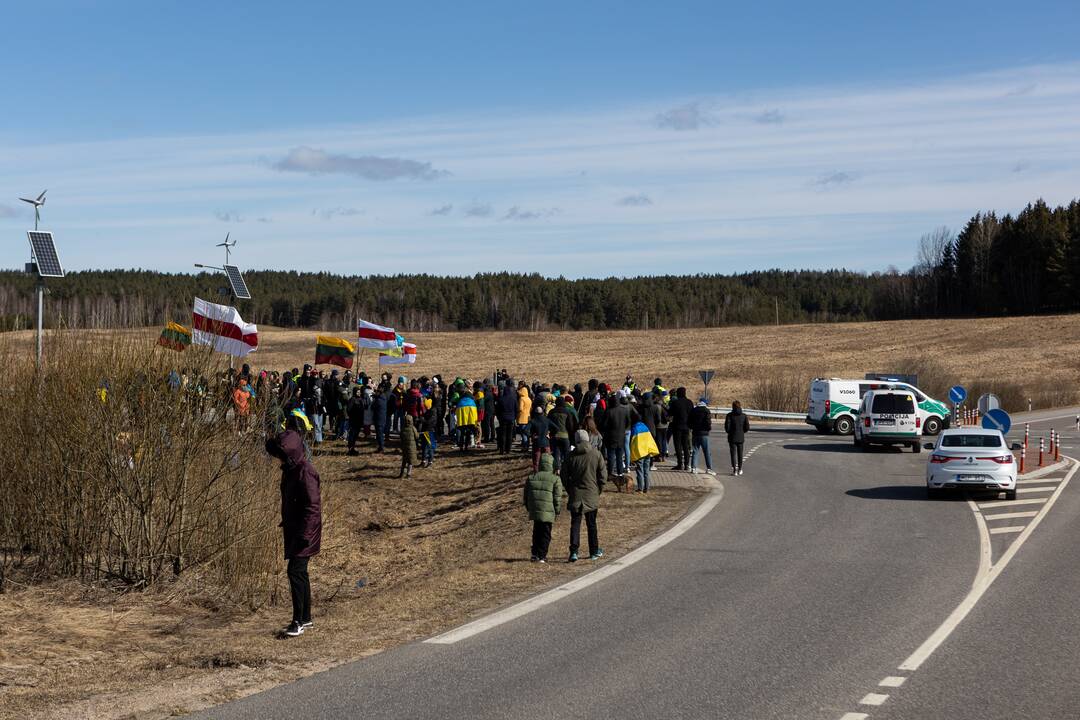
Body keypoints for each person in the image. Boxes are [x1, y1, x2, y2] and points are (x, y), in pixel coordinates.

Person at [266, 410, 322, 638]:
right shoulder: (291, 468)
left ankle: (298, 621)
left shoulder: (304, 471)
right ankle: (306, 618)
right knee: (300, 573)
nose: (279, 458)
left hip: (305, 531)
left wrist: (306, 534)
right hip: (297, 528)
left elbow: (313, 505)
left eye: (281, 454)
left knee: (295, 572)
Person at [561, 429, 606, 562]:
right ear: (588, 439)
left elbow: (564, 476)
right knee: (591, 524)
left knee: (575, 524)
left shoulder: (570, 456)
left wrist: (570, 489)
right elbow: (603, 476)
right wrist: (598, 491)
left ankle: (574, 552)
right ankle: (593, 551)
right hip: (591, 493)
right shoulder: (596, 454)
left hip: (575, 494)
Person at [523, 453, 564, 563]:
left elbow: (526, 496)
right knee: (546, 533)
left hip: (535, 510)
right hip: (548, 510)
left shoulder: (531, 478)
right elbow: (557, 497)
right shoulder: (555, 479)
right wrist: (557, 510)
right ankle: (542, 555)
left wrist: (529, 508)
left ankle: (534, 554)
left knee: (536, 532)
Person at [547, 395, 576, 472]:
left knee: (556, 453)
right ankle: (566, 470)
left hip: (554, 436)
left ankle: (557, 470)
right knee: (566, 454)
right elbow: (570, 425)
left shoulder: (551, 412)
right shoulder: (567, 412)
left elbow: (548, 423)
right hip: (565, 436)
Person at [668, 387, 694, 471]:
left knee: (678, 446)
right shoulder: (689, 402)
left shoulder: (676, 402)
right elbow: (691, 414)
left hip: (677, 426)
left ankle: (680, 464)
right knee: (686, 446)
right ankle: (687, 464)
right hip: (687, 426)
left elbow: (670, 413)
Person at [689, 398, 716, 475]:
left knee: (695, 450)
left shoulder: (693, 410)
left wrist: (693, 428)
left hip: (695, 433)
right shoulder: (706, 411)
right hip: (704, 434)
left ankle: (693, 468)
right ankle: (709, 468)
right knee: (706, 451)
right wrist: (708, 429)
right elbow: (708, 422)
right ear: (705, 403)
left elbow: (689, 421)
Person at [725, 400, 751, 475]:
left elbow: (727, 427)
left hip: (732, 437)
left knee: (733, 454)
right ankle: (740, 469)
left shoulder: (729, 415)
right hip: (740, 437)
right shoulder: (744, 415)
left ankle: (734, 470)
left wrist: (730, 432)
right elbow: (747, 427)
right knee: (740, 454)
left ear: (733, 406)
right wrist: (742, 432)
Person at [496, 379, 518, 454]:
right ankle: (508, 449)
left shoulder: (501, 399)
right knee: (509, 434)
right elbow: (516, 409)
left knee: (503, 434)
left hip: (503, 418)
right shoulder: (513, 399)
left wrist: (499, 417)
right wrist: (515, 417)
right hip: (511, 418)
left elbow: (498, 409)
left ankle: (502, 449)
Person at [346, 387, 365, 455]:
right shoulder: (352, 399)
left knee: (356, 435)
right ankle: (350, 448)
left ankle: (353, 448)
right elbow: (348, 410)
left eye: (359, 392)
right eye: (357, 392)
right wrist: (353, 415)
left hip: (359, 420)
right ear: (354, 392)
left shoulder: (361, 399)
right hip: (354, 420)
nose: (359, 393)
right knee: (352, 434)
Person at [516, 381, 533, 452]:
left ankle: (524, 447)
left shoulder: (521, 399)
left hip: (522, 417)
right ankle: (527, 445)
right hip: (528, 417)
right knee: (527, 433)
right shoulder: (529, 399)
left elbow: (520, 408)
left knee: (523, 433)